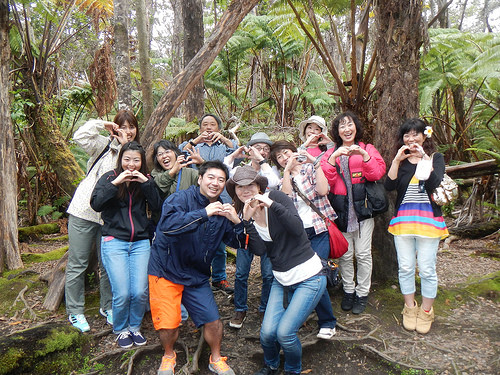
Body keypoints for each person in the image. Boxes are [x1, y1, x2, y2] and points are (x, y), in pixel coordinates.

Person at [226, 166, 327, 375]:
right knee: (266, 334)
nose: (246, 190)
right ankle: (271, 365)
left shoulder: (277, 197)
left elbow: (297, 228)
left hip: (309, 277)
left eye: (250, 185)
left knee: (285, 334)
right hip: (281, 279)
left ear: (259, 186)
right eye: (240, 187)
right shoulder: (247, 212)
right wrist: (246, 222)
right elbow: (261, 250)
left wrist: (270, 203)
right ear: (235, 191)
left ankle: (292, 369)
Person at [148, 160, 244, 375]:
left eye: (221, 180)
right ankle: (169, 354)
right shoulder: (180, 199)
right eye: (211, 177)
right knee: (169, 323)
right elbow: (168, 226)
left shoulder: (222, 209)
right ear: (200, 179)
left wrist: (237, 222)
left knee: (213, 320)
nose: (215, 183)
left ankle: (216, 358)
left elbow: (238, 243)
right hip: (166, 270)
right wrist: (204, 213)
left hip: (197, 274)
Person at [65, 109, 139, 332]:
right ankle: (75, 311)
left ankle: (107, 306)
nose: (127, 131)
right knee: (78, 263)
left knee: (107, 265)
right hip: (83, 212)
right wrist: (103, 123)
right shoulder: (102, 146)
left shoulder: (135, 153)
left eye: (131, 127)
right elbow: (79, 136)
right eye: (122, 126)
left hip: (110, 219)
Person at [90, 141, 162, 348]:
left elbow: (158, 206)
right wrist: (115, 184)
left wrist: (145, 183)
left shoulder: (146, 180)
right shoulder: (109, 178)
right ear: (121, 159)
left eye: (136, 160)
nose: (131, 164)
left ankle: (134, 327)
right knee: (122, 292)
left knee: (139, 291)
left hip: (140, 242)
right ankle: (121, 329)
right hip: (114, 241)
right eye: (127, 159)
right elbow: (96, 204)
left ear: (142, 162)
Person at [384, 118, 449, 334]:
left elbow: (433, 184)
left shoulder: (435, 158)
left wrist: (424, 159)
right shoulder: (400, 162)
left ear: (424, 136)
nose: (411, 139)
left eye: (415, 134)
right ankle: (410, 307)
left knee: (428, 269)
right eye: (407, 135)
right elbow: (389, 186)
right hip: (403, 222)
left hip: (429, 222)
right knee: (405, 267)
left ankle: (427, 311)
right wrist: (396, 160)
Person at [269, 140, 338, 339]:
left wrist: (314, 163)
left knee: (317, 274)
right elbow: (285, 201)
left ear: (294, 152)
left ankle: (327, 322)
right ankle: (300, 317)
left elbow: (323, 191)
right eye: (279, 157)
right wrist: (287, 174)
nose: (284, 158)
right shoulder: (285, 178)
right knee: (306, 276)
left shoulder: (310, 168)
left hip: (318, 230)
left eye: (286, 153)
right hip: (298, 236)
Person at [321, 111, 386, 314]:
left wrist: (364, 156)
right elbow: (326, 183)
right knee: (346, 255)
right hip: (340, 211)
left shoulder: (368, 148)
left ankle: (362, 293)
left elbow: (377, 173)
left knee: (364, 254)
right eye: (342, 126)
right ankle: (348, 290)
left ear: (356, 127)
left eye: (350, 125)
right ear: (337, 131)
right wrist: (333, 159)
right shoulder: (330, 154)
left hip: (363, 210)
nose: (346, 129)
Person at [223, 132, 278, 328]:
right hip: (244, 234)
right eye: (257, 147)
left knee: (268, 274)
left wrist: (261, 161)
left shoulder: (270, 171)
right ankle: (240, 308)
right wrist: (235, 154)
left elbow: (273, 182)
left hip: (266, 233)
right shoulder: (240, 170)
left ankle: (266, 309)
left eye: (265, 148)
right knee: (240, 274)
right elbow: (225, 169)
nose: (246, 189)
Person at [180, 114, 238, 293]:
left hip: (222, 198)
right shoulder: (195, 146)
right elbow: (180, 151)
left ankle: (219, 278)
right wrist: (196, 140)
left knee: (219, 241)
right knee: (196, 240)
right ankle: (198, 277)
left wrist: (225, 139)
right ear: (200, 129)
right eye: (205, 125)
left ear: (219, 129)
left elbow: (238, 151)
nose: (208, 128)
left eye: (212, 125)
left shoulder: (225, 147)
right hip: (198, 200)